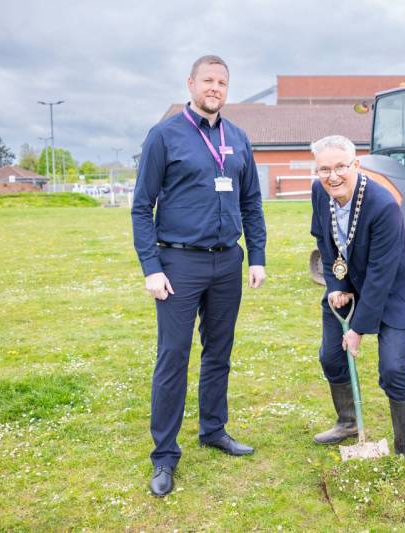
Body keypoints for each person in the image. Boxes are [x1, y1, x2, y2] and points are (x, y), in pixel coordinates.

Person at [131, 54, 267, 497]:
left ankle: (213, 429)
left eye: (222, 82)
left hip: (227, 261)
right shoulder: (165, 136)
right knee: (173, 358)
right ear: (191, 84)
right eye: (207, 80)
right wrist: (152, 267)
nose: (215, 87)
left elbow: (252, 204)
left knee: (219, 352)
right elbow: (141, 207)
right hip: (179, 264)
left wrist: (257, 257)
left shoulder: (238, 138)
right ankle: (165, 456)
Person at [309, 135, 405, 481]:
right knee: (331, 356)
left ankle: (404, 448)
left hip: (392, 291)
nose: (332, 176)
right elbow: (324, 240)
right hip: (351, 284)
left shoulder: (382, 204)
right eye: (324, 169)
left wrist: (358, 329)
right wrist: (336, 286)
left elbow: (380, 275)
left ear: (355, 165)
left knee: (392, 369)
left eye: (340, 167)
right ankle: (347, 422)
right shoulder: (321, 193)